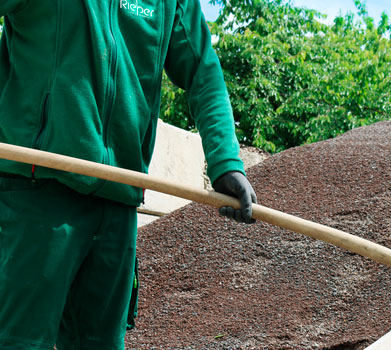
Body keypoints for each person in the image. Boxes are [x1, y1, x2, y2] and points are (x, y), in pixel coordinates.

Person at [0, 1, 257, 349]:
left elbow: (201, 69)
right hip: (36, 195)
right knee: (19, 342)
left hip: (117, 208)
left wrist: (225, 161)